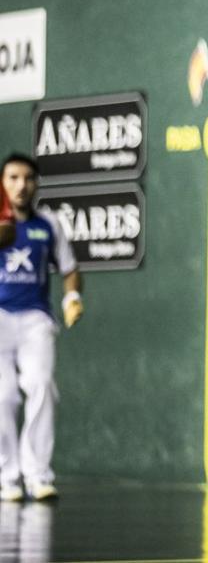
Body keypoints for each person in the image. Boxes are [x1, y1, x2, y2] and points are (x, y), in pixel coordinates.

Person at [0, 153, 82, 502]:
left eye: (28, 178)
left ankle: (38, 476)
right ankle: (7, 477)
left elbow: (69, 267)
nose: (21, 185)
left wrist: (72, 298)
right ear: (3, 184)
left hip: (36, 319)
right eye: (13, 178)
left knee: (42, 386)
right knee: (2, 396)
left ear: (36, 184)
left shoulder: (48, 224)